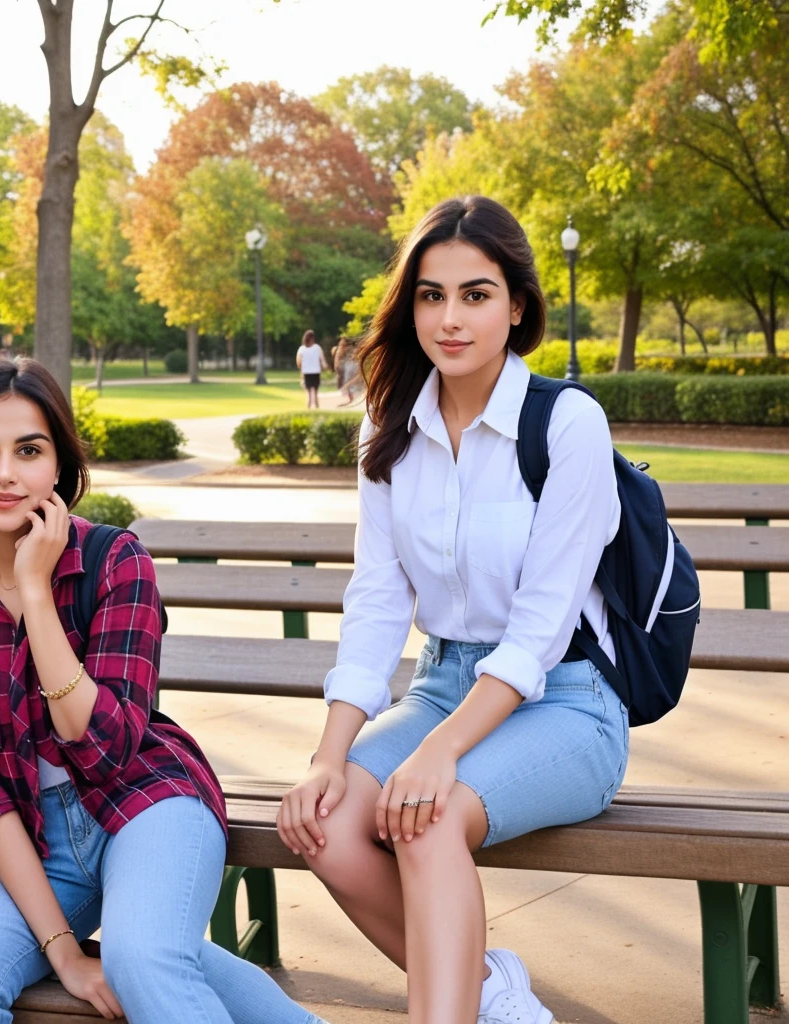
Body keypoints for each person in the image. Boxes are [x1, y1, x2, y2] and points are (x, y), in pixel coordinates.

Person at [0, 356, 327, 1024]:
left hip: (148, 803)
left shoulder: (115, 561)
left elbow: (102, 744)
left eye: (28, 451)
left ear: (58, 468)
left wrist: (37, 593)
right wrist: (61, 949)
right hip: (31, 839)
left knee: (143, 959)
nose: (5, 473)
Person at [277, 196, 628, 1024]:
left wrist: (439, 750)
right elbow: (375, 599)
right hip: (442, 686)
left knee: (424, 819)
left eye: (476, 294)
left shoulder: (568, 424)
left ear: (517, 305)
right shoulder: (387, 430)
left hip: (568, 700)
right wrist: (331, 755)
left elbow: (542, 627)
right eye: (431, 295)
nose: (451, 317)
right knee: (322, 823)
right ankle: (486, 993)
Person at [296, 329, 326, 409]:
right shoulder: (317, 348)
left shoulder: (301, 349)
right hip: (316, 372)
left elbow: (298, 362)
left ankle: (308, 408)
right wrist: (325, 367)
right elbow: (323, 360)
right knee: (315, 392)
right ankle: (317, 407)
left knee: (309, 392)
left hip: (306, 373)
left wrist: (302, 369)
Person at [333, 337, 362, 405]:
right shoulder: (346, 359)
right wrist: (338, 354)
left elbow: (360, 376)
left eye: (342, 345)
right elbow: (337, 369)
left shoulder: (359, 360)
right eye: (340, 345)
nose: (340, 347)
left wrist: (347, 385)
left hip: (358, 390)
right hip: (348, 391)